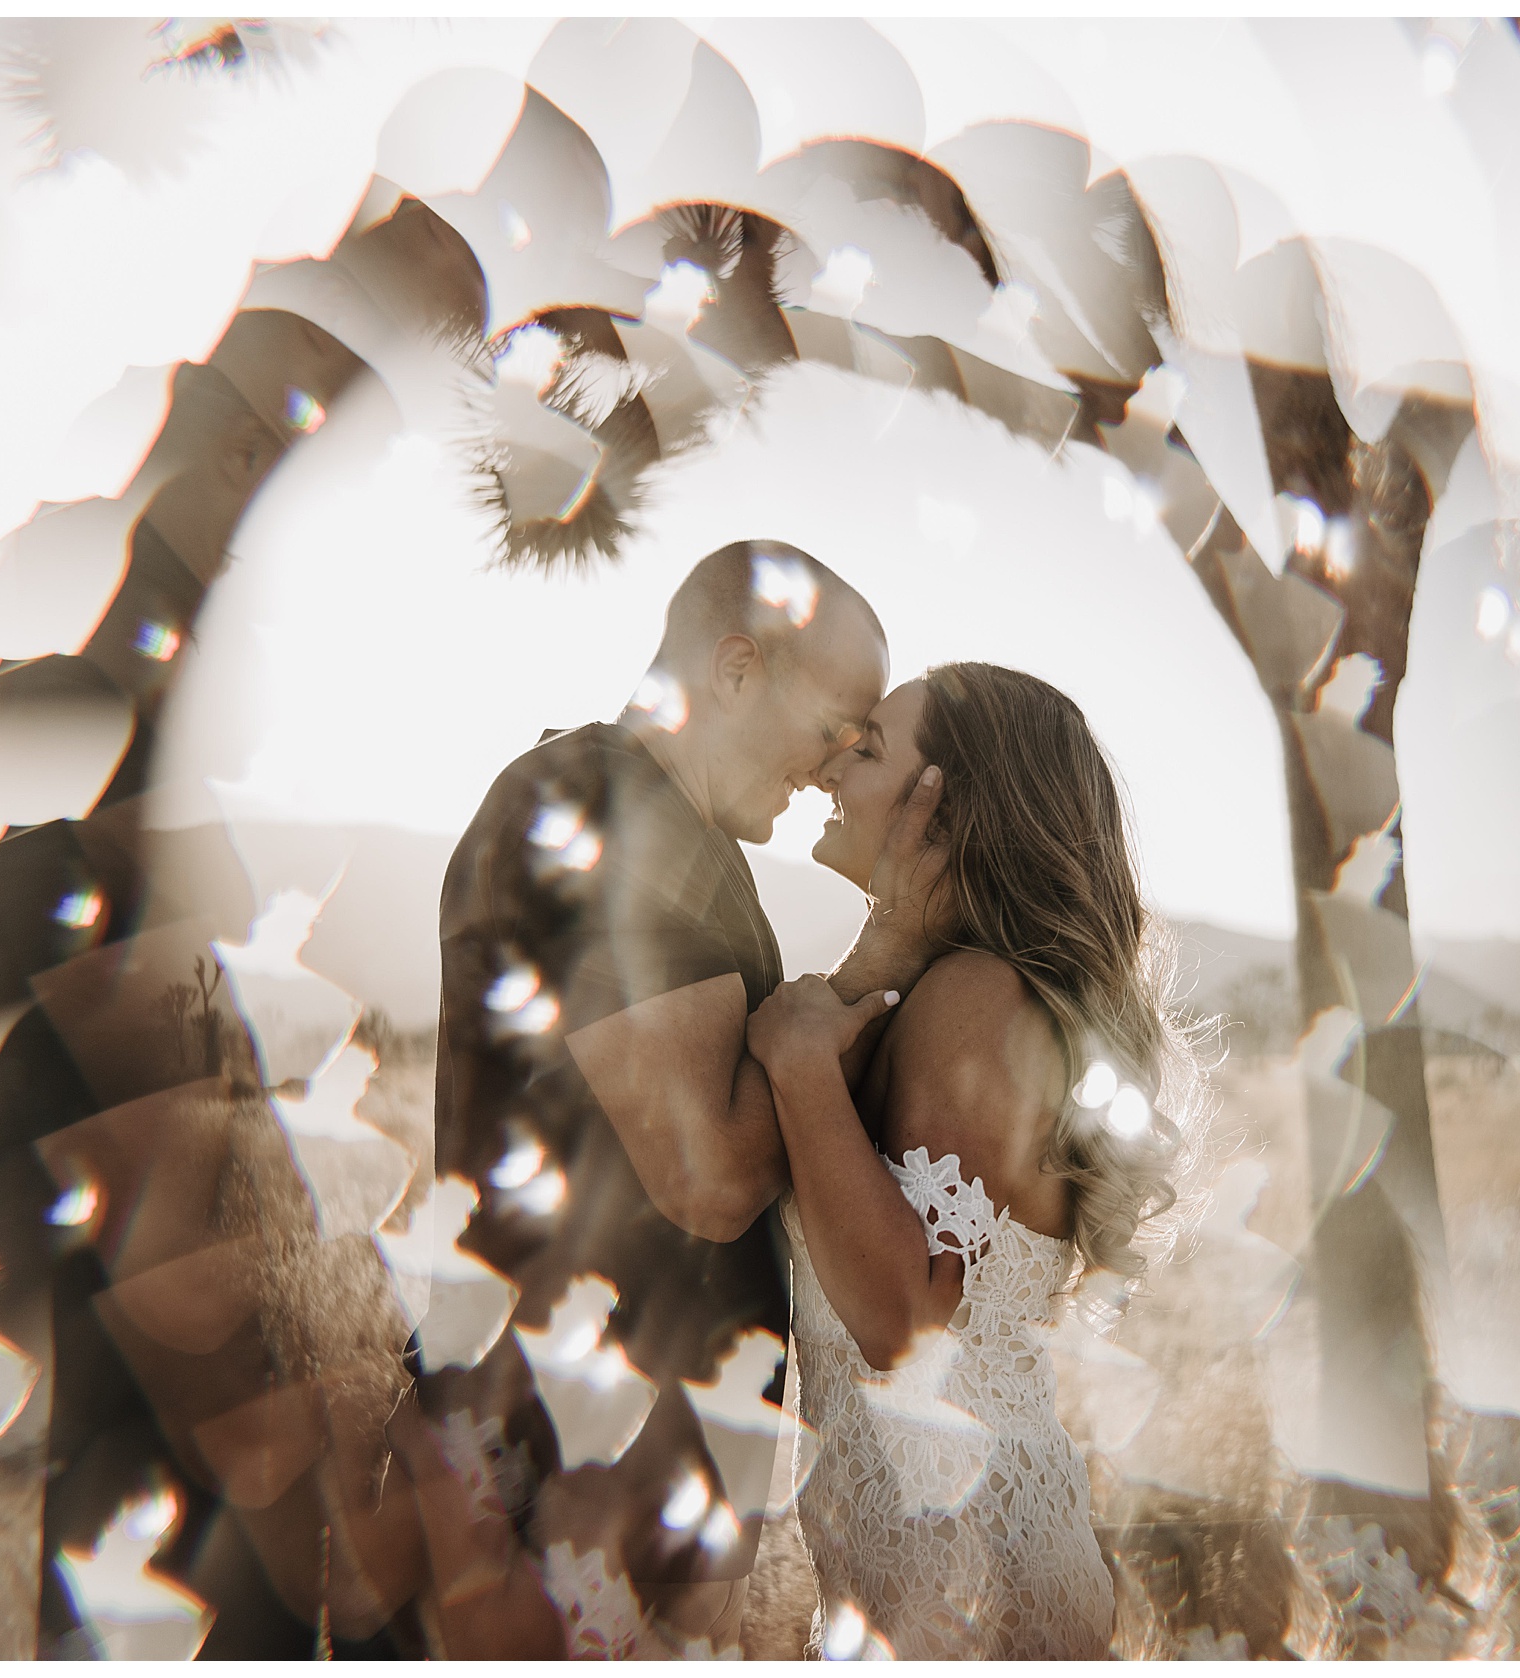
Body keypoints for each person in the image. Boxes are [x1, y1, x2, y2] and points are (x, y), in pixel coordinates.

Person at [401, 539, 949, 1656]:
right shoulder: (601, 806)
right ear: (736, 669)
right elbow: (708, 1179)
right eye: (833, 725)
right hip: (559, 1476)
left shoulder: (680, 832)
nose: (831, 767)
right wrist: (885, 941)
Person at [745, 662, 1195, 1659]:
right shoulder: (952, 994)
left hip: (975, 1583)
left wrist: (801, 1069)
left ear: (944, 807)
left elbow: (906, 1324)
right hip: (936, 1578)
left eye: (865, 749)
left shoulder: (973, 1004)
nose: (827, 765)